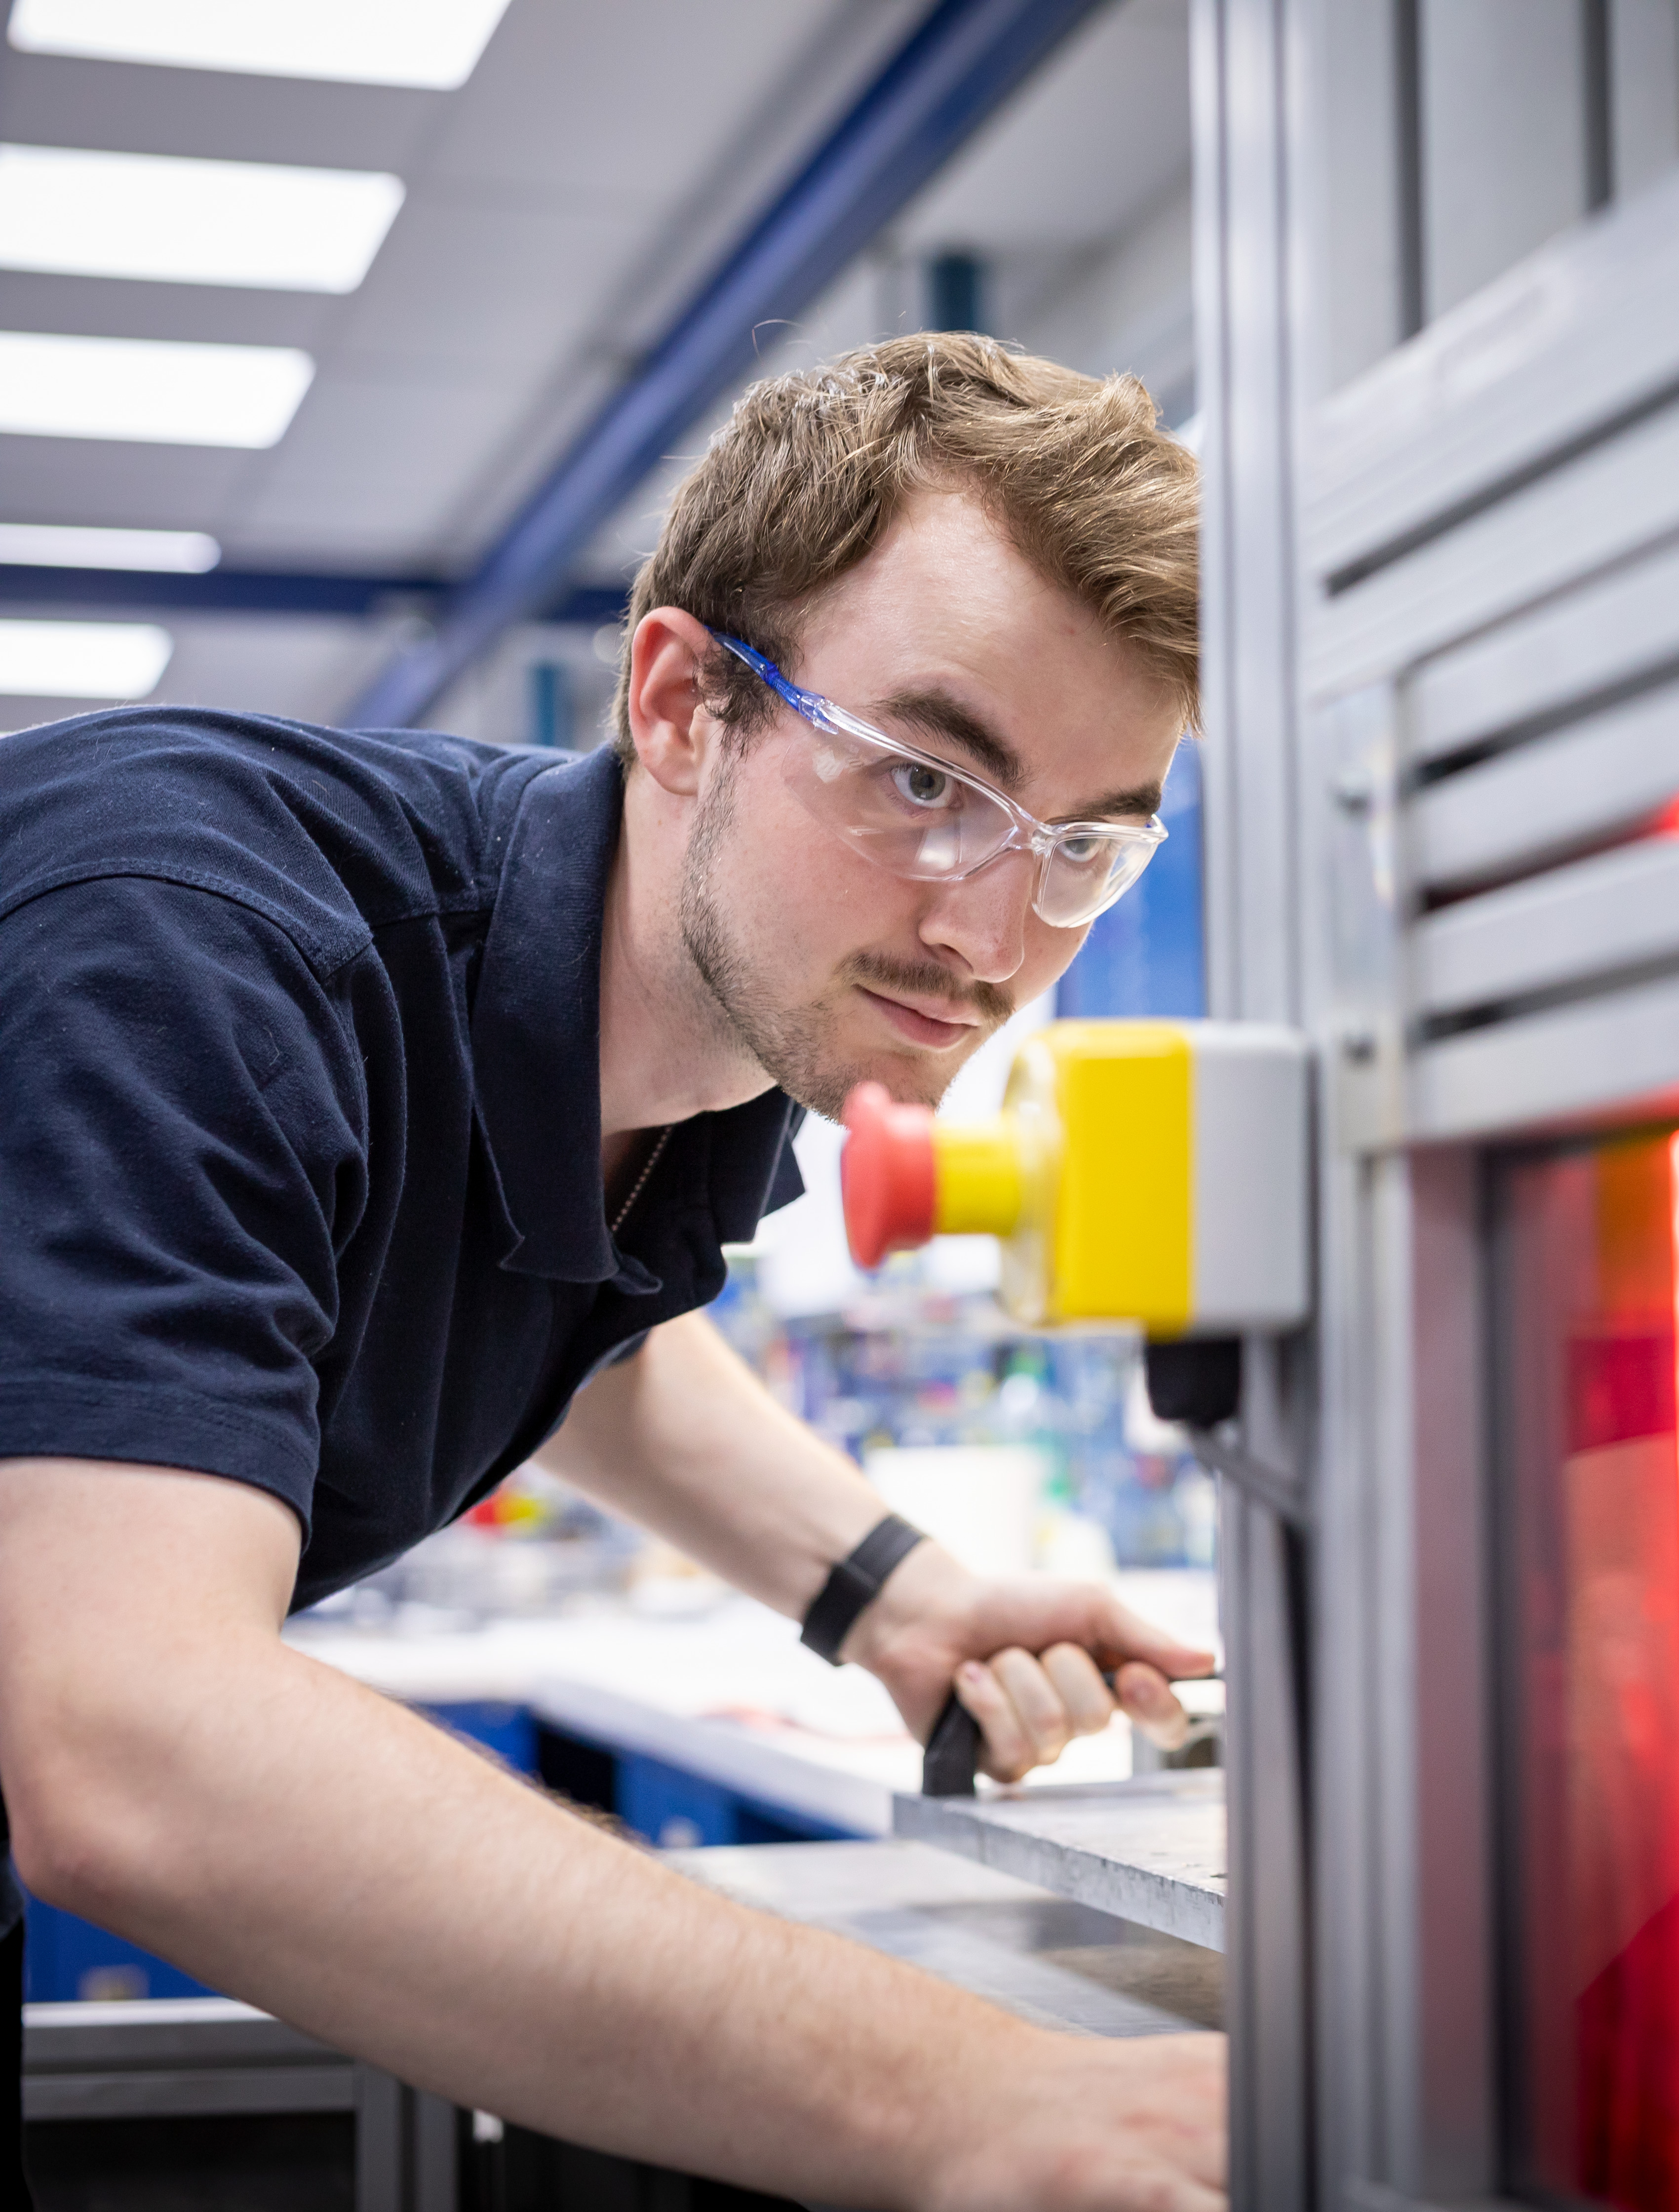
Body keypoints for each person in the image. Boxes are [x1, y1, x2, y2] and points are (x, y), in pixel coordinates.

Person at [0, 333, 1226, 2210]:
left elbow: (578, 1322)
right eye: (923, 782)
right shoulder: (196, 946)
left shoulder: (695, 1046)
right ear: (679, 704)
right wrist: (981, 2100)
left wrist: (895, 1595)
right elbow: (122, 1740)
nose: (994, 932)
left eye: (1084, 848)